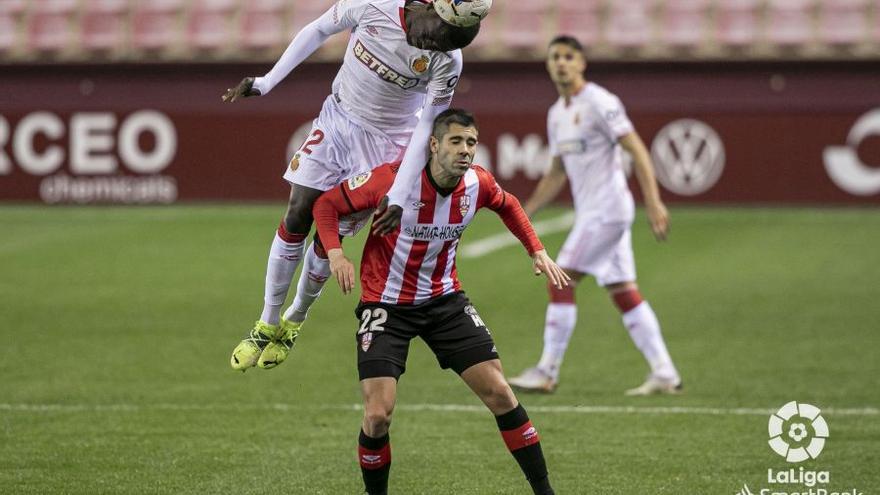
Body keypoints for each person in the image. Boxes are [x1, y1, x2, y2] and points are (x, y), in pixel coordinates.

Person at [312, 109, 567, 495]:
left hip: (444, 300)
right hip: (386, 305)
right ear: (433, 145)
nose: (465, 150)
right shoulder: (393, 180)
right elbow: (327, 205)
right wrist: (335, 253)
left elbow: (508, 204)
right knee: (378, 415)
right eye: (456, 141)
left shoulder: (477, 184)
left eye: (471, 142)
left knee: (500, 393)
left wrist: (537, 250)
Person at [222, 0, 485, 371]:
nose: (437, 46)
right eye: (440, 34)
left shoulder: (447, 61)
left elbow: (426, 126)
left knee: (330, 238)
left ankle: (294, 320)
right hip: (338, 120)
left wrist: (396, 193)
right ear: (430, 7)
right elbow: (317, 29)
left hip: (385, 147)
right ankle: (266, 323)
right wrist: (266, 82)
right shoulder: (373, 4)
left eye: (452, 42)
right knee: (297, 212)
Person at [507, 35, 683, 396]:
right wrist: (524, 212)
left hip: (607, 210)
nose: (561, 63)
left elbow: (637, 149)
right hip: (595, 213)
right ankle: (664, 372)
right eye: (555, 56)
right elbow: (556, 171)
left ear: (582, 63)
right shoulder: (556, 114)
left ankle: (547, 370)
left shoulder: (601, 102)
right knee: (623, 290)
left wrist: (653, 202)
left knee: (561, 278)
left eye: (569, 56)